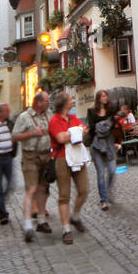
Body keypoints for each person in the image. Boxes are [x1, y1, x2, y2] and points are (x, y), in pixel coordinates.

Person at [11, 90, 54, 242]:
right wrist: (32, 134)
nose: (49, 103)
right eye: (47, 101)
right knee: (32, 189)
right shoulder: (24, 117)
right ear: (38, 103)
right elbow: (14, 136)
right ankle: (28, 225)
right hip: (30, 156)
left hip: (46, 156)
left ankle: (41, 221)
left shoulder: (49, 114)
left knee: (43, 189)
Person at [48, 90, 89, 244]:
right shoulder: (54, 120)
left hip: (77, 156)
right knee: (64, 195)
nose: (73, 102)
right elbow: (60, 138)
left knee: (84, 190)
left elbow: (85, 131)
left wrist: (71, 133)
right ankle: (66, 229)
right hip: (61, 159)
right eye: (70, 100)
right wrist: (76, 132)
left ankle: (75, 216)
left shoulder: (73, 117)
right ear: (64, 104)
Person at [86, 89, 121, 210]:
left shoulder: (111, 111)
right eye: (103, 96)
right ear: (98, 98)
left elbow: (116, 127)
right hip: (96, 145)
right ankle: (103, 200)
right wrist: (104, 127)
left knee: (112, 170)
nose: (105, 98)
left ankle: (109, 191)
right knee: (100, 174)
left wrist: (117, 141)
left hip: (109, 144)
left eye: (106, 96)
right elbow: (91, 128)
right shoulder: (91, 112)